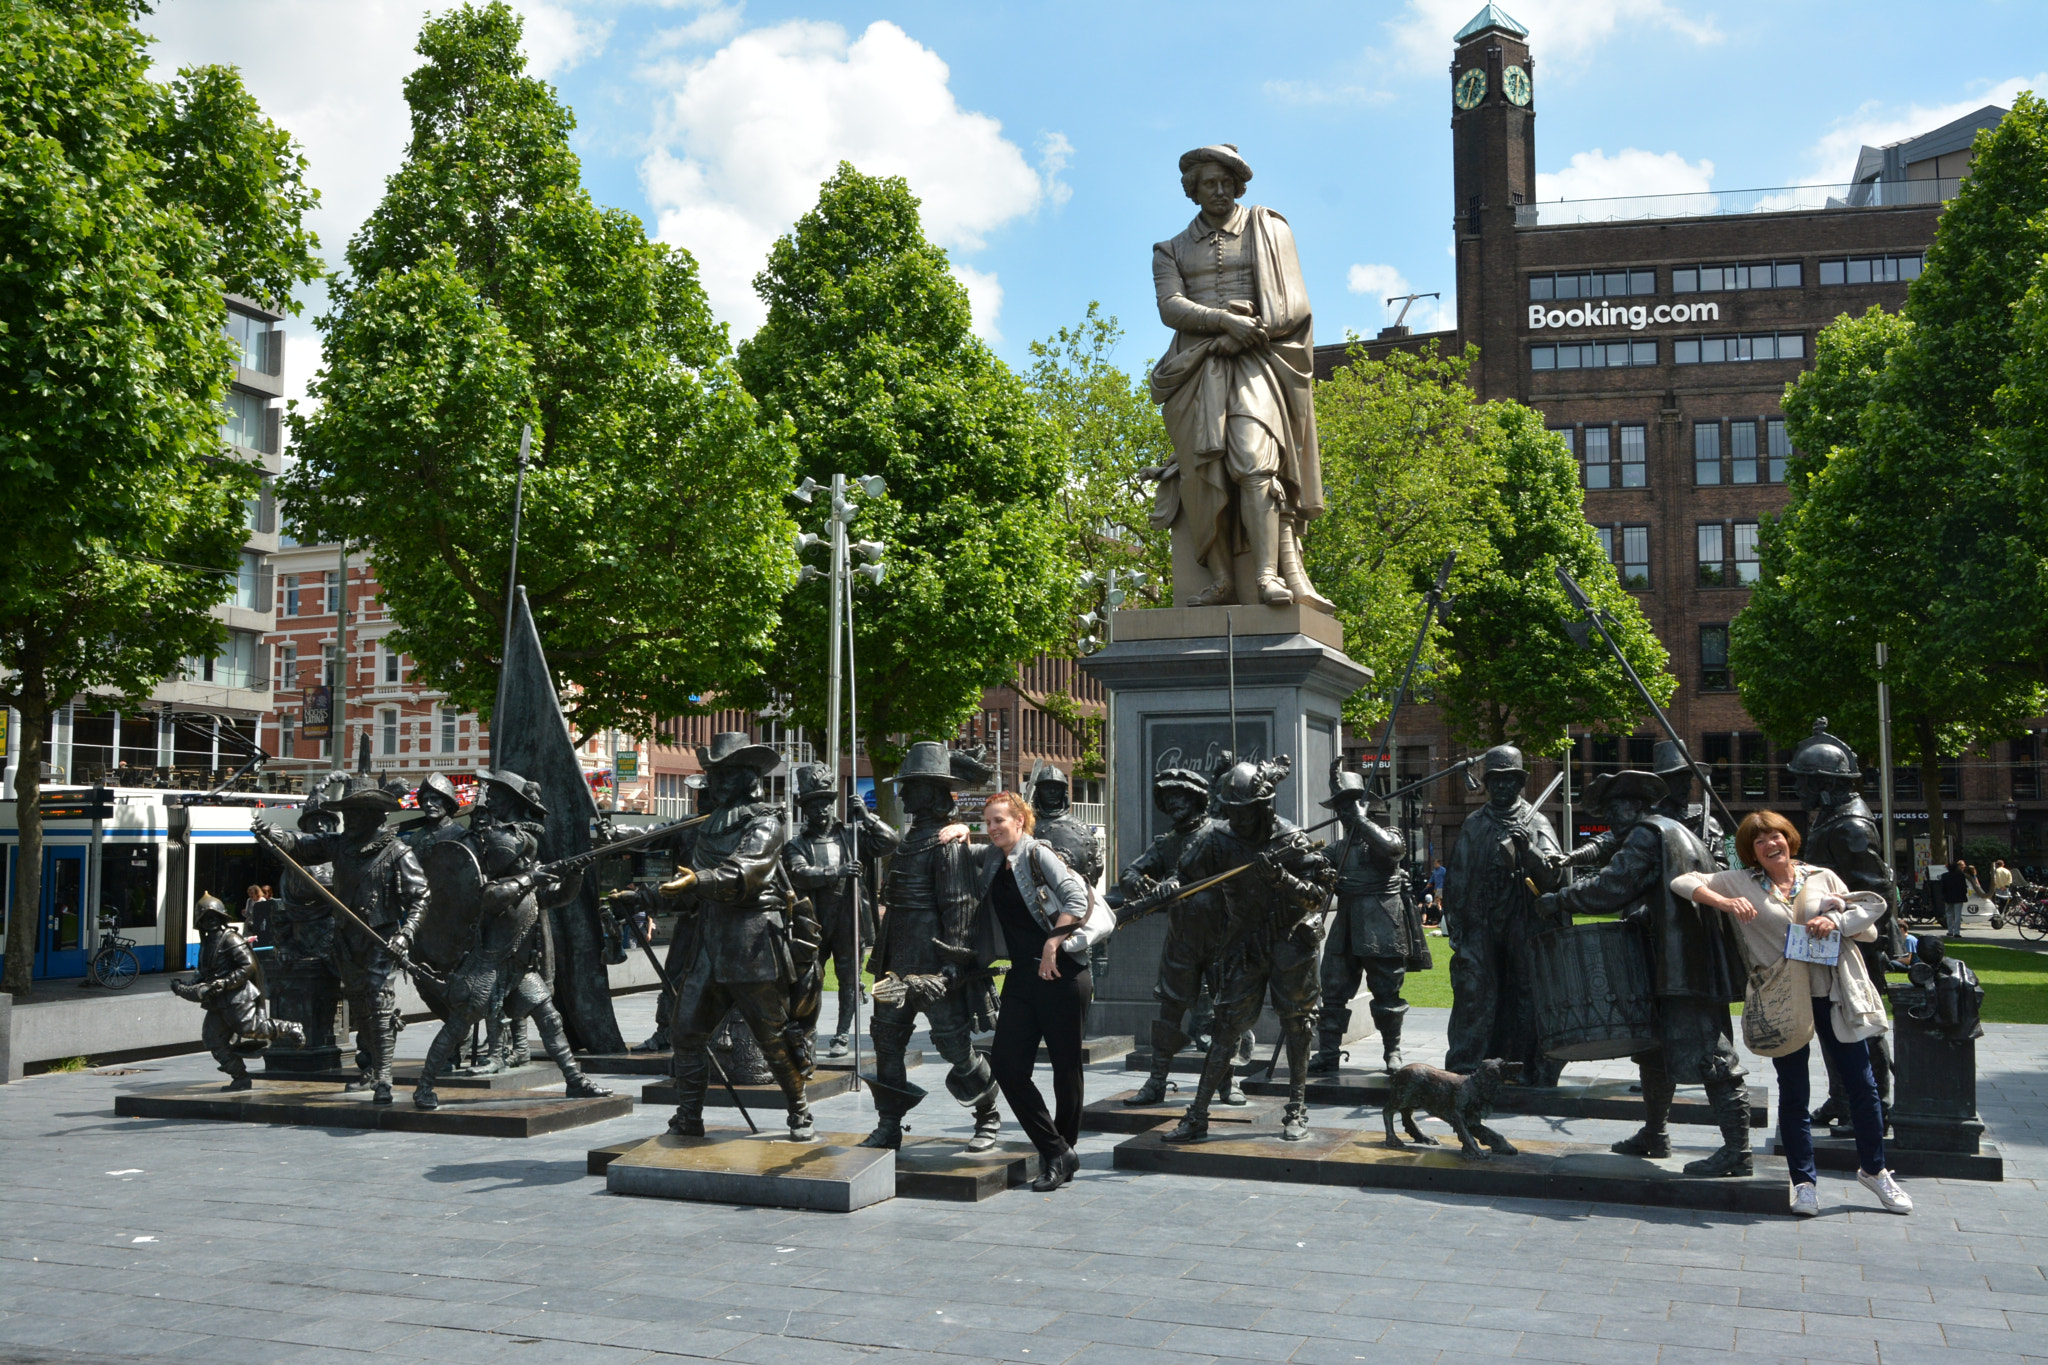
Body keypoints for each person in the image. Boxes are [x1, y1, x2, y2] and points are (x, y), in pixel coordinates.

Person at [1672, 811, 1911, 1216]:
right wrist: (1724, 901)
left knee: (1863, 1086)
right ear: (1751, 851)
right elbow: (1682, 881)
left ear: (1789, 838)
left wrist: (1832, 918)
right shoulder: (1739, 880)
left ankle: (1875, 1170)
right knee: (1795, 1091)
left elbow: (1867, 929)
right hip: (1783, 997)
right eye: (1759, 840)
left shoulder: (1823, 876)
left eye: (1776, 836)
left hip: (1834, 993)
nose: (1770, 844)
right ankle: (1803, 1182)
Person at [1536, 771, 1750, 1176]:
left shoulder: (1647, 834)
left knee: (1713, 1055)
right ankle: (1655, 1133)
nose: (1611, 822)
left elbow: (1614, 885)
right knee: (1654, 1051)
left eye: (1614, 811)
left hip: (1682, 964)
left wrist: (1560, 899)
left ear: (1634, 806)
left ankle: (1738, 1151)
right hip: (1674, 959)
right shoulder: (1674, 832)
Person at [1148, 143, 1330, 609]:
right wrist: (1224, 323)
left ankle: (1268, 575)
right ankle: (1223, 579)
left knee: (1253, 462)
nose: (1220, 191)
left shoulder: (1267, 227)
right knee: (1205, 474)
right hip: (1195, 370)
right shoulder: (1170, 250)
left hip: (1259, 360)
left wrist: (1248, 334)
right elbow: (1171, 308)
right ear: (1193, 190)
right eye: (1209, 183)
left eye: (1227, 182)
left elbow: (1295, 303)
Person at [410, 770, 614, 1110]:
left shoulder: (521, 865)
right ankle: (424, 1087)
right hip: (486, 960)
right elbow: (488, 897)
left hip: (517, 962)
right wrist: (528, 878)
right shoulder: (491, 860)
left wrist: (576, 873)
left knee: (550, 1017)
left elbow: (554, 897)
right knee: (459, 1024)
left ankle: (574, 1080)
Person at [1163, 756, 1335, 1143]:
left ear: (1263, 806)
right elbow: (1183, 872)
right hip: (1243, 944)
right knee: (1226, 1028)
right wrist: (1171, 885)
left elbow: (1318, 895)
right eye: (1231, 811)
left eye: (1244, 812)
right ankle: (1197, 1115)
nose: (1237, 819)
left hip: (1291, 942)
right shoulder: (1217, 838)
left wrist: (1283, 879)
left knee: (1298, 1025)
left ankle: (1297, 1108)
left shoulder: (1291, 839)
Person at [654, 733, 817, 1142]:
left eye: (724, 773)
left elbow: (747, 871)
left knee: (772, 1037)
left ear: (747, 777)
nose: (715, 782)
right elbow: (687, 884)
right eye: (712, 773)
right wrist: (643, 895)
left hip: (751, 941)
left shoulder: (766, 820)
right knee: (686, 1033)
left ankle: (799, 1112)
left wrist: (700, 880)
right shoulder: (708, 824)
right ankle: (689, 1115)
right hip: (709, 942)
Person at [861, 741, 1002, 1152]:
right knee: (886, 1042)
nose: (902, 794)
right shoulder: (908, 842)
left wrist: (952, 965)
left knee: (954, 1045)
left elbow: (960, 906)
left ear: (931, 792)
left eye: (910, 786)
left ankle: (987, 1114)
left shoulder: (946, 842)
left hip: (934, 964)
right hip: (895, 962)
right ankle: (889, 1124)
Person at [253, 777, 429, 1104]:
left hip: (380, 939)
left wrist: (406, 935)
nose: (348, 819)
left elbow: (421, 897)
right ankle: (371, 1068)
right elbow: (305, 846)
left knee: (377, 1004)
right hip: (347, 941)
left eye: (355, 812)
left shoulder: (397, 852)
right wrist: (276, 835)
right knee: (361, 1008)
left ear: (375, 814)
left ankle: (384, 1078)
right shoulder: (341, 845)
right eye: (346, 813)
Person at [978, 791, 1094, 1191]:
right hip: (1022, 978)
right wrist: (960, 829)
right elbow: (969, 852)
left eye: (999, 821)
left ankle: (1061, 1155)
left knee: (1066, 1068)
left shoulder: (1037, 853)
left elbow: (1078, 900)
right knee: (1008, 1066)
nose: (992, 828)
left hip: (1063, 973)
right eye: (987, 821)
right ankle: (1057, 1149)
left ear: (1019, 821)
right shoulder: (994, 859)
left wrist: (1051, 945)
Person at [1115, 765, 1247, 1108]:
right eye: (1168, 799)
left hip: (1221, 940)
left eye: (1180, 797)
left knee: (1225, 1015)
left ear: (1197, 799)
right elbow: (1130, 872)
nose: (1174, 804)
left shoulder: (1222, 833)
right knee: (1168, 1014)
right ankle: (1156, 1082)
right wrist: (1147, 885)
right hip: (1182, 942)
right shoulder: (1167, 843)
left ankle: (1226, 1082)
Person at [1443, 745, 1569, 1085]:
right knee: (1474, 991)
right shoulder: (1474, 823)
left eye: (1509, 780)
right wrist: (1456, 925)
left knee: (1525, 992)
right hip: (1481, 923)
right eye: (1495, 780)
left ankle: (1525, 1065)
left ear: (1520, 783)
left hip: (1523, 922)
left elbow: (1554, 877)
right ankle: (1466, 1066)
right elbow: (1456, 878)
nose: (1501, 787)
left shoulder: (1537, 820)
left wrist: (1528, 848)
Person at [1312, 761, 1430, 1074]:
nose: (1344, 812)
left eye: (1349, 805)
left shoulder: (1385, 834)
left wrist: (1361, 822)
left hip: (1381, 922)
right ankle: (1327, 1052)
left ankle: (1392, 1052)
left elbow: (1392, 850)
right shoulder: (1337, 849)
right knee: (1333, 988)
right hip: (1346, 926)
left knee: (1386, 991)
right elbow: (1309, 863)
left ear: (1363, 807)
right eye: (1340, 807)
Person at [174, 893, 305, 1089]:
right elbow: (203, 972)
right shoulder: (206, 944)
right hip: (217, 1000)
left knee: (251, 1028)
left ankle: (291, 1028)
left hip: (237, 996)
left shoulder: (231, 939)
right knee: (213, 1039)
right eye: (206, 918)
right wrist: (186, 985)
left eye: (214, 917)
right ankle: (240, 1077)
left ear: (221, 918)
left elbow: (248, 966)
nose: (210, 922)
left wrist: (225, 983)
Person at [1939, 860, 1968, 939]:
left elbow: (1942, 888)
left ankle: (1950, 930)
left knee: (1949, 914)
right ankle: (1957, 932)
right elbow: (1964, 887)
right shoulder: (1961, 875)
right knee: (1957, 915)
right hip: (1959, 897)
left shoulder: (1944, 876)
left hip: (1948, 897)